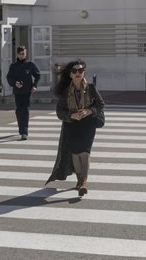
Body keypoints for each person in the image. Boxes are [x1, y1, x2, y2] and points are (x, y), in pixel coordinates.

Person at [45, 59, 105, 196]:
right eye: (75, 71)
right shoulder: (66, 92)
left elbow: (101, 105)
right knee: (75, 154)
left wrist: (89, 111)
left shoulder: (91, 88)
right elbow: (60, 111)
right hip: (72, 126)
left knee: (85, 153)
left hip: (88, 124)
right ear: (70, 74)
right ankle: (79, 180)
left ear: (84, 73)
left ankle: (84, 182)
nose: (78, 73)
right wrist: (71, 116)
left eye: (80, 70)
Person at [6, 46, 41, 140]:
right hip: (17, 92)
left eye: (23, 54)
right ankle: (21, 128)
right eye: (20, 54)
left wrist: (34, 86)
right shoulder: (13, 66)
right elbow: (9, 77)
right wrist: (15, 83)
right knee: (19, 111)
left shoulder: (30, 65)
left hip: (27, 92)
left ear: (26, 54)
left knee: (25, 110)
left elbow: (37, 75)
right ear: (17, 54)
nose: (22, 55)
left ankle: (24, 132)